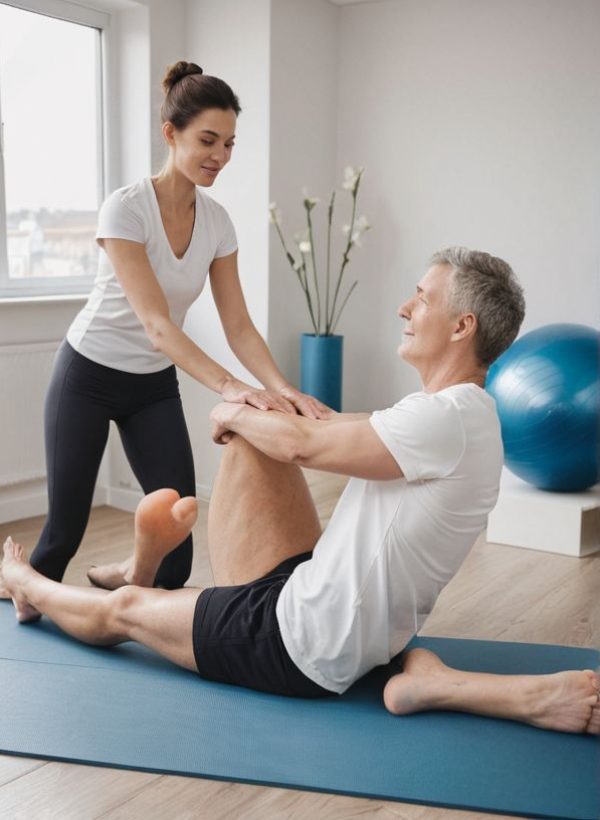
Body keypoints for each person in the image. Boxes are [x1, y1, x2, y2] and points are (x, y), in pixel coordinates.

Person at [2, 247, 599, 735]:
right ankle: (161, 580)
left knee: (126, 613)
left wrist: (231, 412)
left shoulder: (444, 420)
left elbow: (303, 448)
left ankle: (30, 586)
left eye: (423, 297)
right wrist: (257, 406)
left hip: (298, 645)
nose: (404, 306)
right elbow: (329, 427)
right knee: (260, 436)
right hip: (331, 609)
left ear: (462, 327)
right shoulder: (454, 414)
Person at [0, 61, 325, 597]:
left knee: (174, 558)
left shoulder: (217, 222)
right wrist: (230, 387)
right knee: (61, 538)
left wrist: (283, 389)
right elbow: (156, 324)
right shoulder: (126, 210)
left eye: (229, 144)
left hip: (150, 387)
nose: (220, 157)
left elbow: (238, 324)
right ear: (170, 133)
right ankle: (21, 591)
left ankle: (128, 573)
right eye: (208, 140)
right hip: (86, 376)